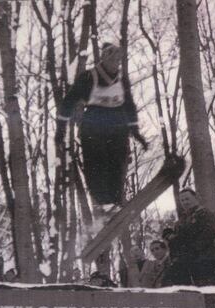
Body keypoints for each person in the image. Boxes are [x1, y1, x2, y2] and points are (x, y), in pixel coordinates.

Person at [56, 43, 148, 208]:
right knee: (96, 163)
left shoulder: (121, 80)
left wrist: (136, 131)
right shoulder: (88, 77)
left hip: (118, 127)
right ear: (104, 58)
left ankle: (115, 200)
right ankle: (103, 202)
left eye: (118, 60)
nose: (116, 63)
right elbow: (68, 102)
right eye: (112, 59)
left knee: (117, 163)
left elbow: (129, 105)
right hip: (94, 126)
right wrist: (61, 129)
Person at [168, 189, 215, 285]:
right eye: (182, 200)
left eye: (187, 199)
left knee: (206, 289)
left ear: (196, 198)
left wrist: (191, 250)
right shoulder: (182, 219)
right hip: (187, 260)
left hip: (204, 258)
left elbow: (207, 236)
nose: (185, 202)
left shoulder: (205, 214)